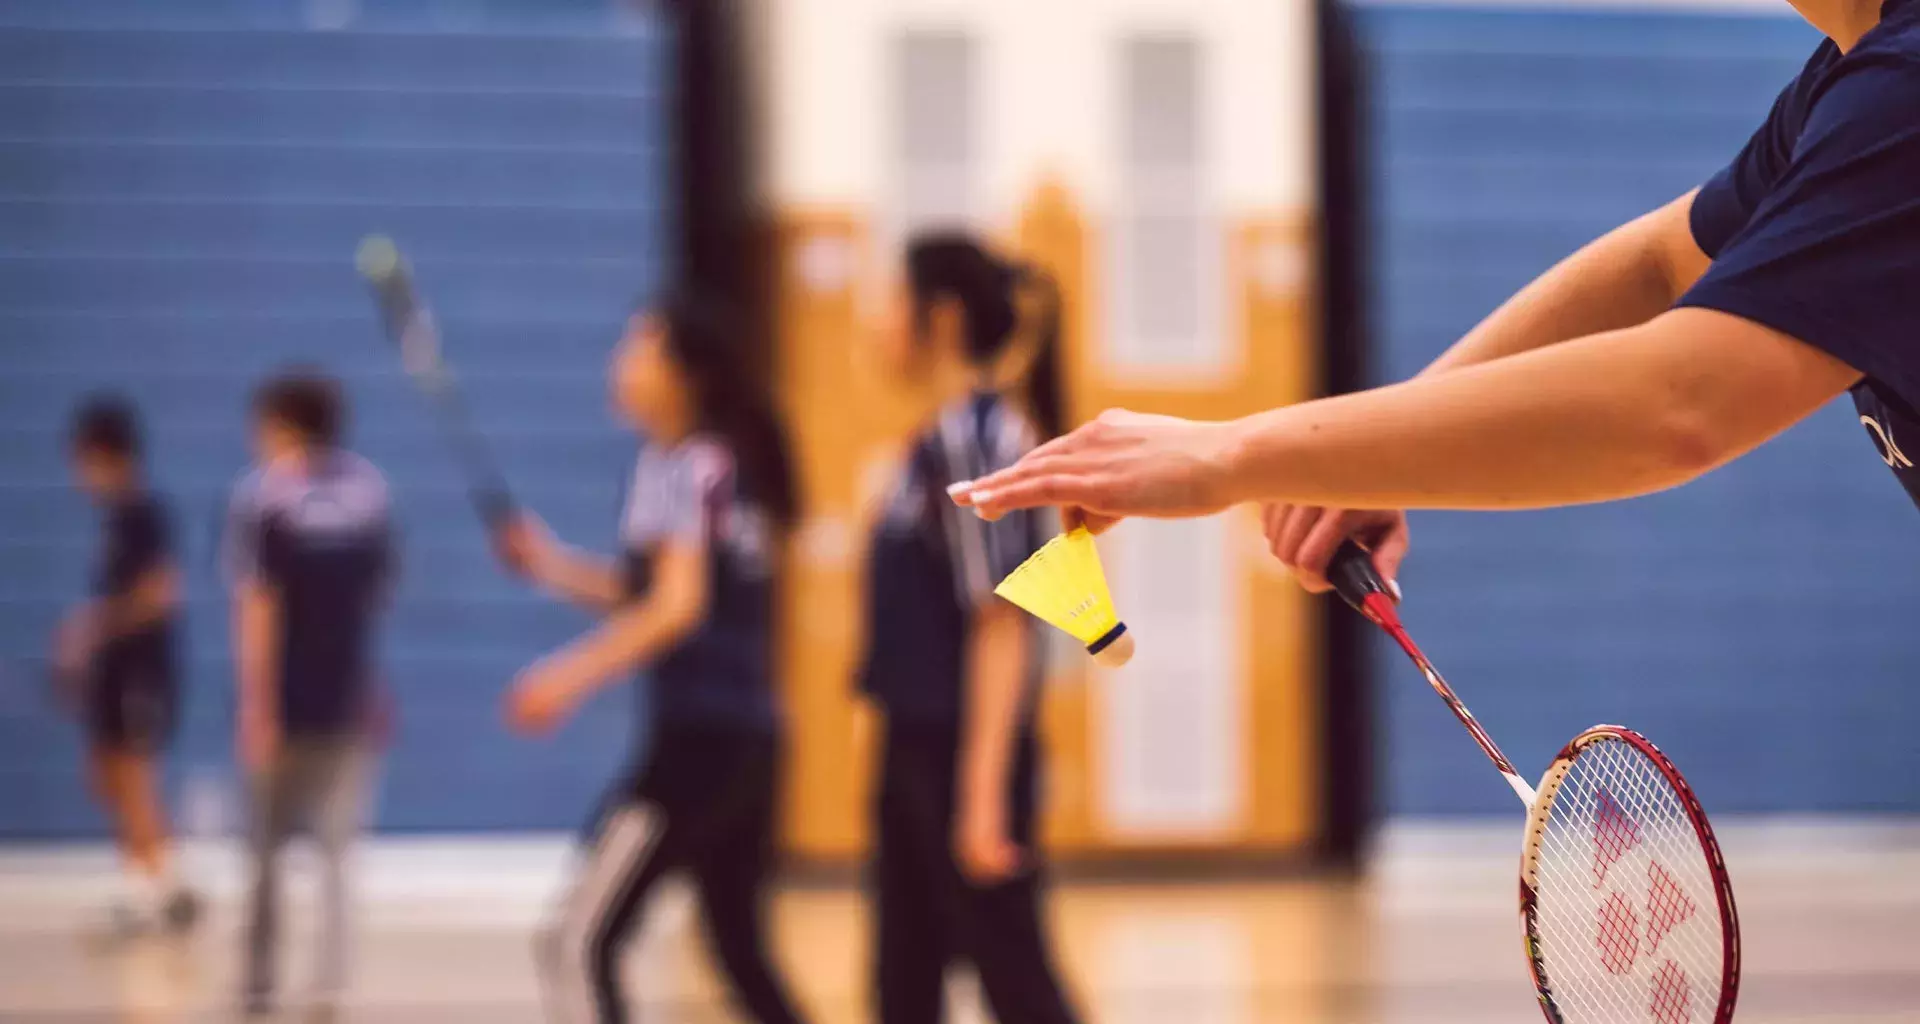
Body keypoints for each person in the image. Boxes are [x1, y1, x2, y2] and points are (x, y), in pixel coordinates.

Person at [954, 0, 1920, 590]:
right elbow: (1663, 265)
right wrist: (1368, 458)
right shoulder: (1848, 80)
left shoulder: (1904, 87)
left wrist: (1229, 451)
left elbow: (1681, 402)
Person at [494, 294, 810, 1024]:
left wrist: (564, 677)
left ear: (683, 374)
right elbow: (650, 591)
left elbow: (677, 606)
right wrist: (548, 565)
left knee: (576, 942)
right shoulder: (715, 463)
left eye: (638, 349)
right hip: (752, 742)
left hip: (698, 750)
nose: (620, 364)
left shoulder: (687, 465)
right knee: (739, 948)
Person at [858, 232, 1081, 1024]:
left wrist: (980, 797)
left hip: (961, 753)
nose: (876, 321)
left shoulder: (979, 438)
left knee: (1020, 986)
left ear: (941, 317)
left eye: (890, 300)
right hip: (916, 748)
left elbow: (1002, 622)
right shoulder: (939, 435)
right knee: (903, 987)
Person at [224, 371, 395, 1019]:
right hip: (348, 701)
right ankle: (327, 990)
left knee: (265, 856)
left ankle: (259, 985)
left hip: (288, 704)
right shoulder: (370, 493)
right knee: (336, 858)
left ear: (283, 424)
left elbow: (257, 607)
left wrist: (255, 703)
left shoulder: (264, 497)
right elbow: (372, 603)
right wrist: (373, 688)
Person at [56, 396, 200, 939]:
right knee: (109, 775)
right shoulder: (114, 520)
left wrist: (95, 625)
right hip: (114, 672)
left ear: (103, 454)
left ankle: (151, 892)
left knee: (136, 775)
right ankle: (163, 882)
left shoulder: (144, 514)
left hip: (143, 670)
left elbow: (162, 592)